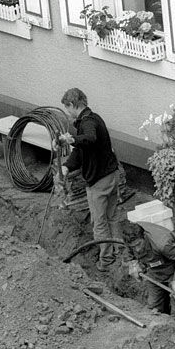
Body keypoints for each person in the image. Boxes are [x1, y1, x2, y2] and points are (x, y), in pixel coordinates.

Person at [55, 88, 121, 272]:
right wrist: (67, 166)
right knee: (113, 216)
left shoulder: (88, 123)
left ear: (72, 105)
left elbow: (89, 139)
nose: (68, 113)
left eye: (67, 109)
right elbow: (82, 150)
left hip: (99, 181)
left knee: (99, 222)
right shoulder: (95, 118)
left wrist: (71, 139)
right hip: (112, 175)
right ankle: (121, 252)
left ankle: (106, 260)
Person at [124, 222, 175, 324]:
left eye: (138, 244)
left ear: (144, 237)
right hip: (153, 272)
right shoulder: (130, 239)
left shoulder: (163, 244)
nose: (137, 249)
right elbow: (129, 251)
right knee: (153, 307)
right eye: (133, 247)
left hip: (174, 272)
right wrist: (133, 264)